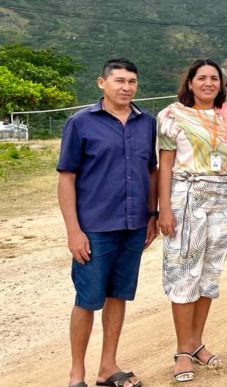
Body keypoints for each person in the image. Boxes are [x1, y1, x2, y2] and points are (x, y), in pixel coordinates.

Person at [57, 58, 158, 387]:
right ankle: (76, 374)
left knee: (118, 295)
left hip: (133, 226)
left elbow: (151, 171)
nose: (126, 87)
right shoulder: (81, 122)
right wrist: (73, 231)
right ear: (102, 83)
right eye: (119, 80)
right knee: (87, 299)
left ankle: (107, 367)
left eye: (132, 81)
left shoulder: (147, 123)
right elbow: (66, 178)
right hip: (94, 228)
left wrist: (152, 215)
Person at [156, 59, 227, 382]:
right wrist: (163, 209)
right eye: (202, 78)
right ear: (191, 83)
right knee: (185, 271)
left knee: (210, 273)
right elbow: (165, 164)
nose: (209, 83)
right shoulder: (172, 115)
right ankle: (182, 351)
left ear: (220, 84)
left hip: (225, 196)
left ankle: (196, 343)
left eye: (214, 78)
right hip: (187, 196)